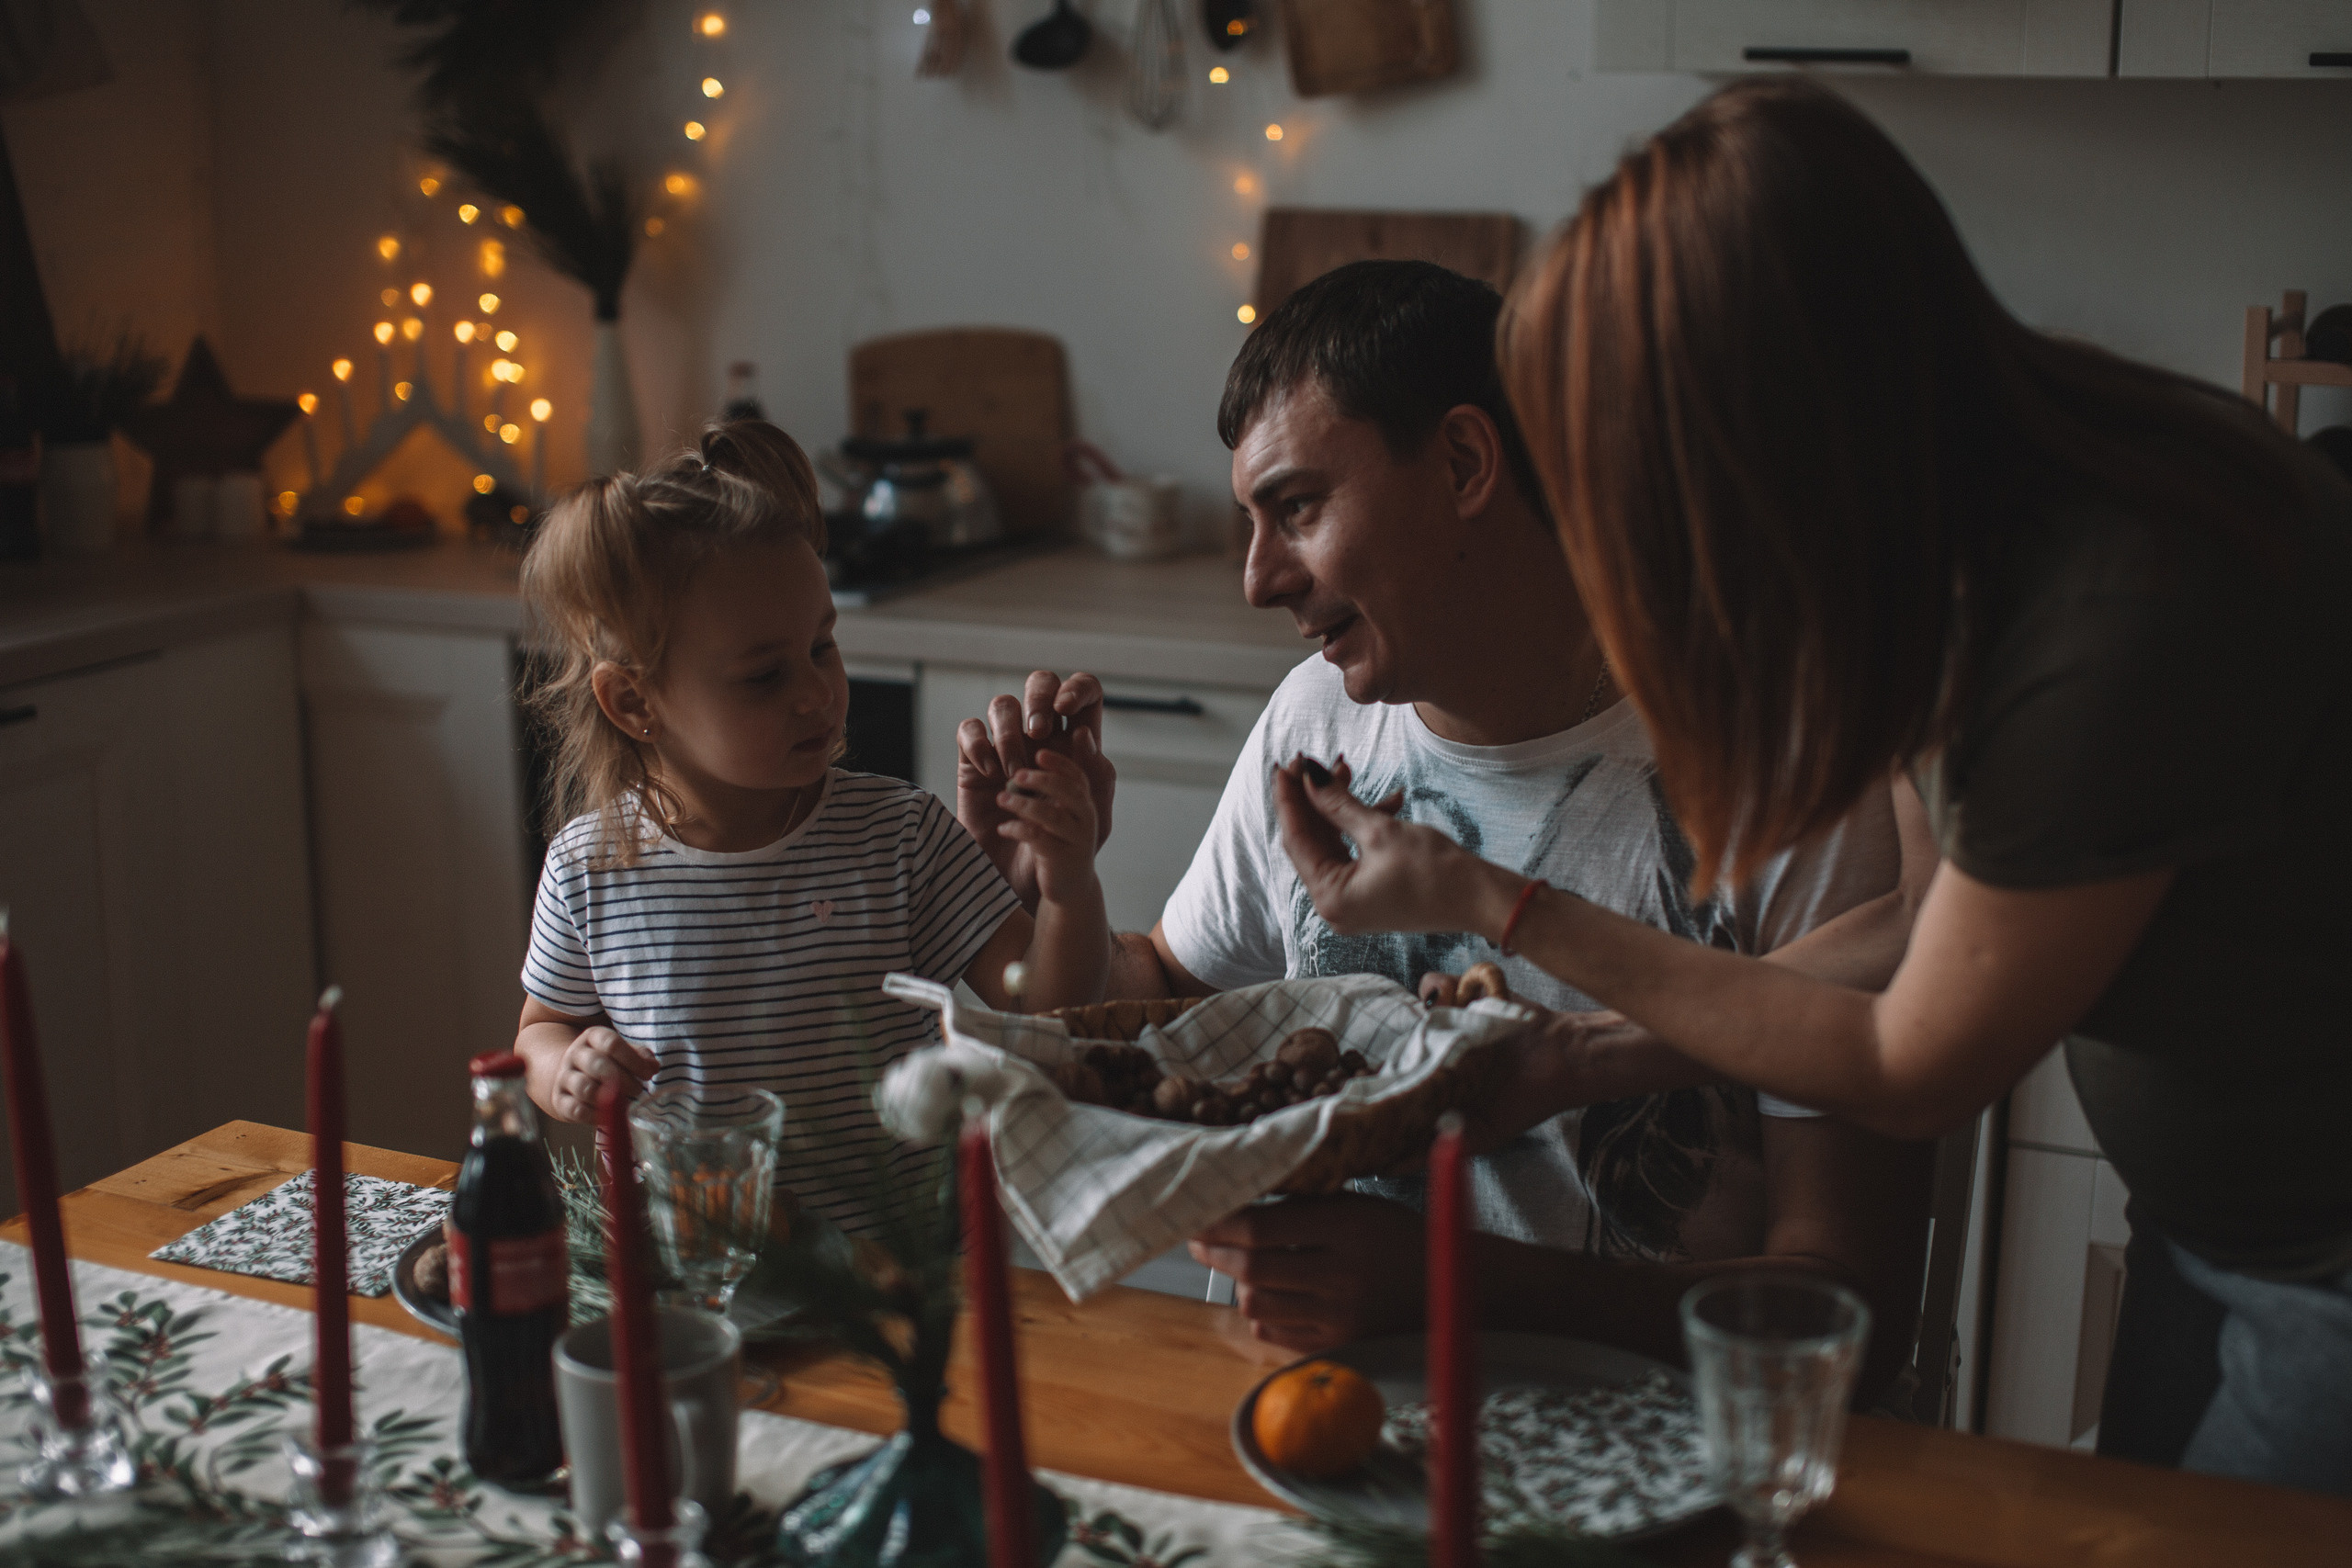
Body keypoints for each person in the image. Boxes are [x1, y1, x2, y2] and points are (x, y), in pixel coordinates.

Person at [1274, 82, 2352, 1494]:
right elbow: (1917, 916)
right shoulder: (1965, 524)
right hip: (2219, 1213)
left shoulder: (2119, 609)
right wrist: (1589, 1055)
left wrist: (1499, 901)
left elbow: (1916, 1059)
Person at [957, 262, 1937, 1392]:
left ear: (1467, 462)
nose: (1256, 578)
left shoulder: (1789, 774)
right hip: (1309, 1439)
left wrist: (1454, 1285)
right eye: (1249, 522)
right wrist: (1054, 888)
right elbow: (1169, 1010)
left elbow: (1846, 1311)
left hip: (1641, 1491)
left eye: (1299, 507)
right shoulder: (1316, 722)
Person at [511, 422, 1108, 1233]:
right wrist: (563, 1071)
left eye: (823, 647)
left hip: (893, 1278)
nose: (817, 694)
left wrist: (1068, 884)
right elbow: (541, 1031)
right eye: (764, 675)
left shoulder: (900, 837)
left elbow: (1044, 1009)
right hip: (692, 1274)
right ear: (635, 703)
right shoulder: (589, 866)